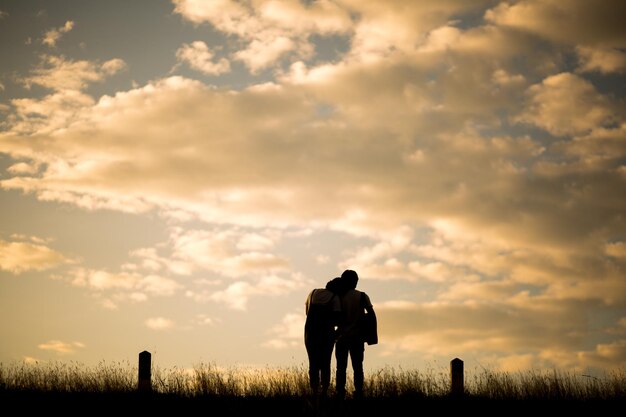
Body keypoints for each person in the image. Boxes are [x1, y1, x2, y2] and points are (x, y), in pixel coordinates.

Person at [334, 269, 377, 400]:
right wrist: (371, 335)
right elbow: (371, 315)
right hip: (357, 338)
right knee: (358, 367)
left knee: (340, 368)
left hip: (341, 338)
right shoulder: (363, 296)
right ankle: (359, 392)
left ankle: (340, 393)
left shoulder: (337, 296)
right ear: (354, 282)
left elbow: (334, 316)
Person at [304, 277, 344, 397]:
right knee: (326, 362)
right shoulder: (335, 298)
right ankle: (324, 391)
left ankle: (314, 391)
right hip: (326, 333)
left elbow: (307, 312)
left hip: (310, 332)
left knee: (313, 362)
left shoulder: (313, 293)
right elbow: (338, 319)